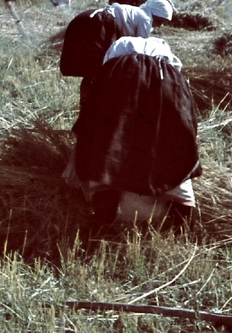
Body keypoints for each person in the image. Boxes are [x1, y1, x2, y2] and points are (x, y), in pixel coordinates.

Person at [68, 35, 200, 227]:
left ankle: (104, 216)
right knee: (173, 141)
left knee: (108, 139)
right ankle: (182, 220)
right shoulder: (162, 48)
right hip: (168, 81)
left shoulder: (118, 47)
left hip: (122, 74)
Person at [60, 0, 175, 104]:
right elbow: (141, 48)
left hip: (91, 17)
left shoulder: (136, 11)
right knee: (102, 68)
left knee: (93, 68)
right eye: (160, 21)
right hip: (103, 24)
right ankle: (94, 103)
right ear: (156, 15)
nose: (159, 25)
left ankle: (87, 100)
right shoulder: (145, 18)